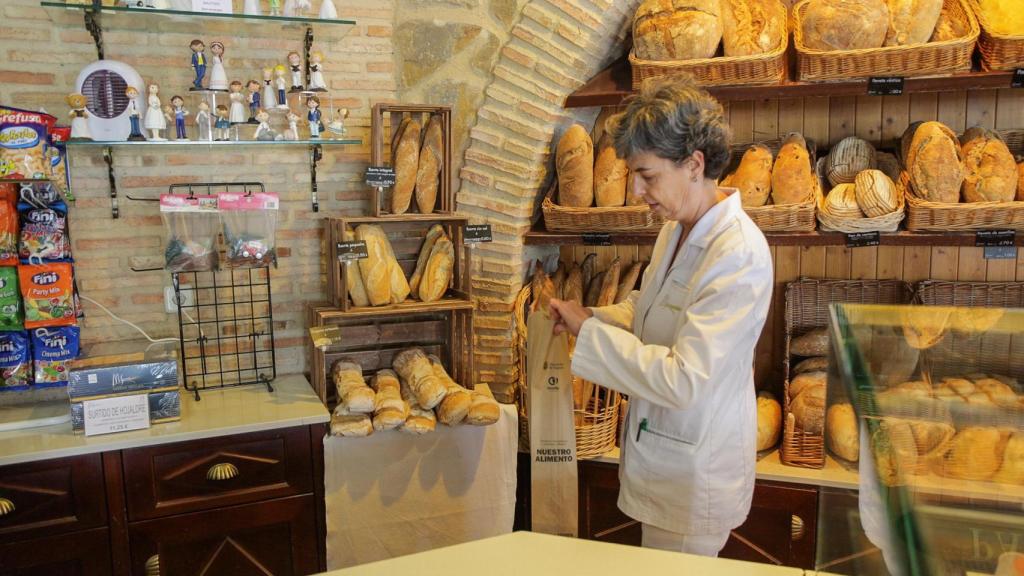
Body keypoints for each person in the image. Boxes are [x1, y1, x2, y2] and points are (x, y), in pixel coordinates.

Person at [548, 77, 773, 558]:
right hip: (665, 457)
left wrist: (589, 335)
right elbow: (648, 308)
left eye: (647, 176)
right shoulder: (676, 230)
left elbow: (684, 380)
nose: (636, 189)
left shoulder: (737, 253)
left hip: (696, 473)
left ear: (693, 165)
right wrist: (593, 316)